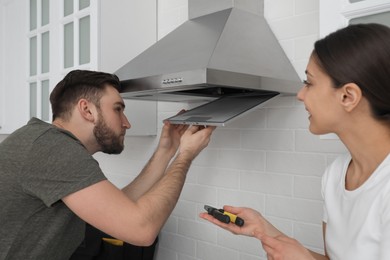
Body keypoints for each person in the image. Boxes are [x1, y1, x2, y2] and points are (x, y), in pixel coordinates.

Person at [200, 23, 390, 260]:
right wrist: (264, 230)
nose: (300, 95)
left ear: (347, 96)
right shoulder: (336, 175)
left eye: (309, 83)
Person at [0, 70, 216, 259]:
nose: (126, 123)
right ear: (87, 110)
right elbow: (142, 230)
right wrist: (185, 156)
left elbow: (120, 208)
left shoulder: (44, 141)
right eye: (117, 109)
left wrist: (166, 151)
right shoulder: (54, 148)